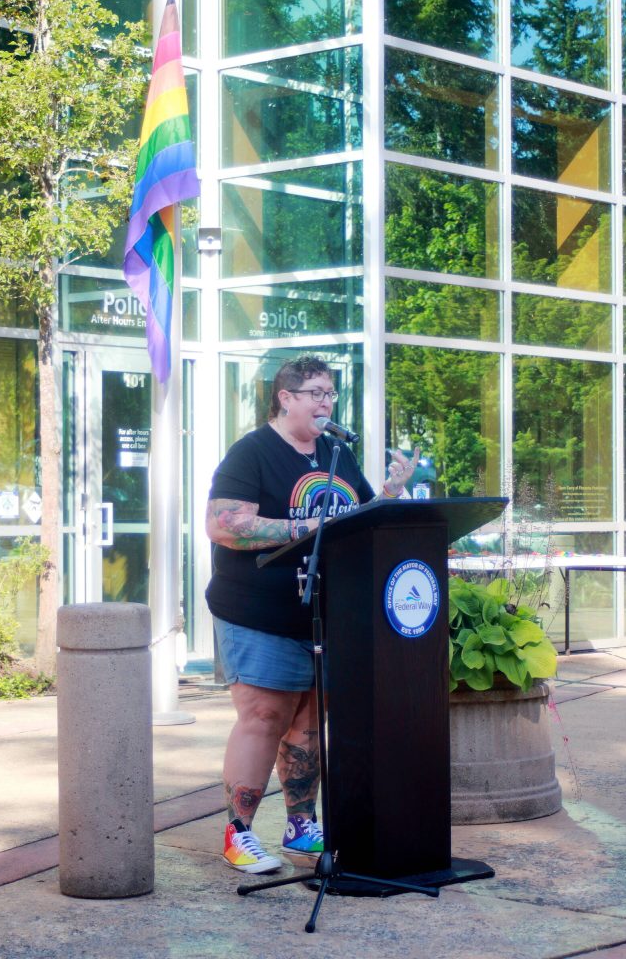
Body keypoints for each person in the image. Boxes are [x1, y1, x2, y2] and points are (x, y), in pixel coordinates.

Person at [205, 355, 419, 874]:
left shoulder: (335, 454)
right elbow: (223, 525)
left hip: (325, 613)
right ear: (286, 397)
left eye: (330, 394)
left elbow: (360, 517)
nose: (327, 403)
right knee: (263, 717)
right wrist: (303, 528)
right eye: (317, 393)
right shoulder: (252, 452)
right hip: (258, 611)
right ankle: (239, 834)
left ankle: (302, 824)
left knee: (307, 721)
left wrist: (390, 494)